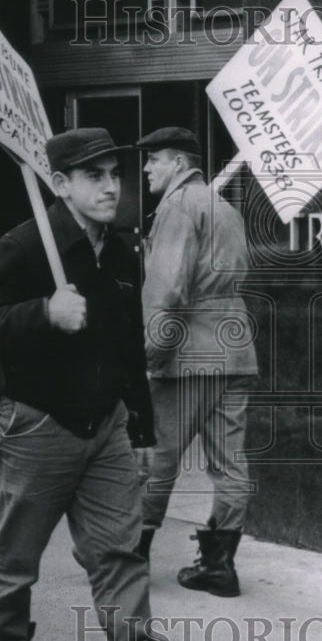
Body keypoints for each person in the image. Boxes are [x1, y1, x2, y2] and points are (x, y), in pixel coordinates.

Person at [0, 127, 211, 641]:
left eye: (116, 174)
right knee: (15, 561)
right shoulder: (23, 247)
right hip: (35, 425)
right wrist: (43, 313)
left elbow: (126, 345)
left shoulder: (122, 251)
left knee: (120, 556)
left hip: (106, 429)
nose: (110, 186)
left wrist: (141, 428)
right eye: (94, 175)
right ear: (61, 184)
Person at [135, 126, 258, 597]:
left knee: (157, 457)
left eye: (154, 160)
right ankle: (220, 567)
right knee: (230, 463)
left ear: (179, 163)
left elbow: (166, 289)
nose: (146, 169)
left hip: (188, 352)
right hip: (235, 348)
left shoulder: (178, 206)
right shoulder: (223, 207)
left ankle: (132, 558)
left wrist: (150, 355)